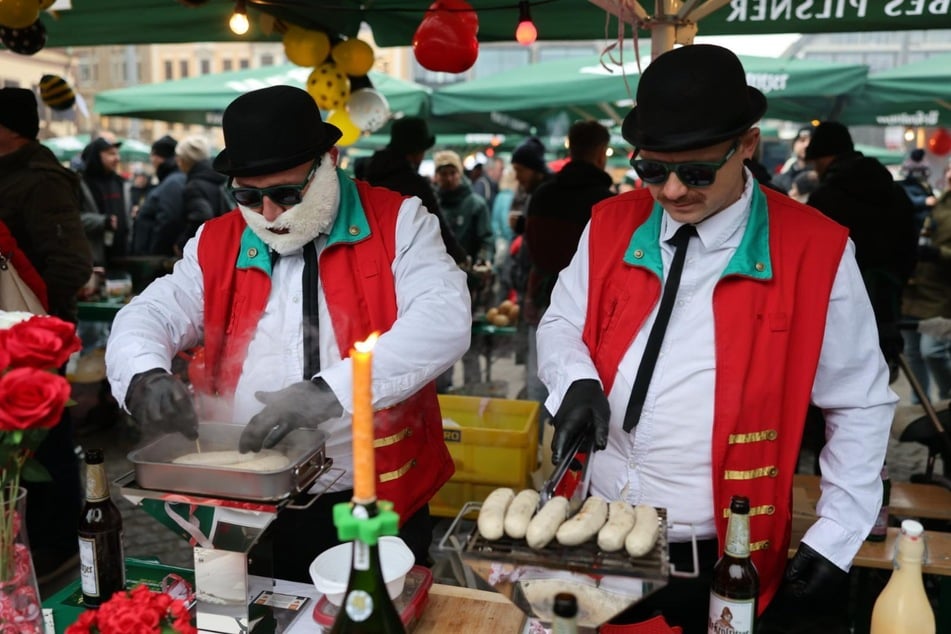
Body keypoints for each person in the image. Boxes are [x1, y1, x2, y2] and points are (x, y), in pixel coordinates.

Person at [536, 45, 896, 634]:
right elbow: (559, 324)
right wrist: (574, 377)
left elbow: (859, 401)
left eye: (697, 171)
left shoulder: (816, 249)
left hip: (715, 551)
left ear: (747, 146)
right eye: (652, 169)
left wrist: (838, 530)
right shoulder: (609, 222)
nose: (672, 192)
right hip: (596, 527)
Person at [105, 85, 471, 583]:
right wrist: (142, 376)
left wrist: (329, 393)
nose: (270, 214)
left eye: (285, 194)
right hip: (242, 492)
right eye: (248, 197)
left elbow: (443, 320)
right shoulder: (216, 239)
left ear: (330, 161)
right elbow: (148, 313)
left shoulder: (399, 221)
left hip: (363, 491)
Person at [0, 87, 93, 585]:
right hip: (13, 336)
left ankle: (58, 550)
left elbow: (72, 263)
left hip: (34, 339)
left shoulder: (39, 181)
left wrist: (37, 319)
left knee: (46, 443)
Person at [805, 121, 918, 375]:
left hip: (837, 308)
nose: (815, 168)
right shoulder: (894, 191)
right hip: (888, 300)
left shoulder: (824, 199)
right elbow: (910, 245)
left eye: (816, 161)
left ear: (825, 158)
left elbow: (816, 260)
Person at [523, 120, 613, 415]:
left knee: (540, 378)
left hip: (541, 295)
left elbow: (531, 250)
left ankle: (535, 452)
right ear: (602, 153)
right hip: (592, 306)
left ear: (571, 149)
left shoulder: (543, 195)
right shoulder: (607, 204)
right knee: (587, 381)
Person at [364, 117, 466, 263]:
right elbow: (439, 229)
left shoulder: (370, 177)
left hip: (374, 259)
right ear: (416, 151)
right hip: (410, 262)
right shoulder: (416, 185)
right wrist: (461, 259)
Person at [433, 149, 493, 390]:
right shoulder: (430, 205)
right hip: (436, 290)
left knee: (470, 345)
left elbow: (487, 239)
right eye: (443, 173)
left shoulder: (475, 205)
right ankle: (441, 396)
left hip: (470, 288)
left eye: (452, 172)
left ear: (460, 173)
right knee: (439, 347)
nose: (448, 178)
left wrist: (482, 261)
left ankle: (472, 393)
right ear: (436, 176)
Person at [901, 158, 951, 403]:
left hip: (940, 293)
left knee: (932, 351)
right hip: (915, 286)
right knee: (912, 353)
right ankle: (919, 403)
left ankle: (945, 395)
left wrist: (939, 254)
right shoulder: (937, 198)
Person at [78, 136, 130, 267]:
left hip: (122, 257)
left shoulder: (120, 182)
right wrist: (102, 221)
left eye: (117, 154)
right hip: (93, 260)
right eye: (111, 154)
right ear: (96, 156)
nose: (117, 158)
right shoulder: (81, 183)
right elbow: (73, 218)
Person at [131, 135, 186, 256]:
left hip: (157, 260)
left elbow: (168, 220)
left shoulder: (173, 182)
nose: (151, 159)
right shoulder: (172, 180)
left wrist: (155, 254)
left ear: (158, 157)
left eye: (152, 155)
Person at [174, 134, 228, 251]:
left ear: (186, 160)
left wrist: (183, 243)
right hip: (227, 240)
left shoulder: (194, 186)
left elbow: (202, 215)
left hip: (209, 246)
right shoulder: (218, 175)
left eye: (179, 158)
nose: (177, 162)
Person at [898, 148, 938, 233]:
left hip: (925, 222)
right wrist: (924, 201)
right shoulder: (905, 185)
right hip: (914, 223)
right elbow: (907, 200)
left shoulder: (925, 185)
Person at [772, 126, 813, 194]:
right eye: (802, 140)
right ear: (794, 144)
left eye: (812, 141)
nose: (807, 145)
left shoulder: (823, 179)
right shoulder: (780, 179)